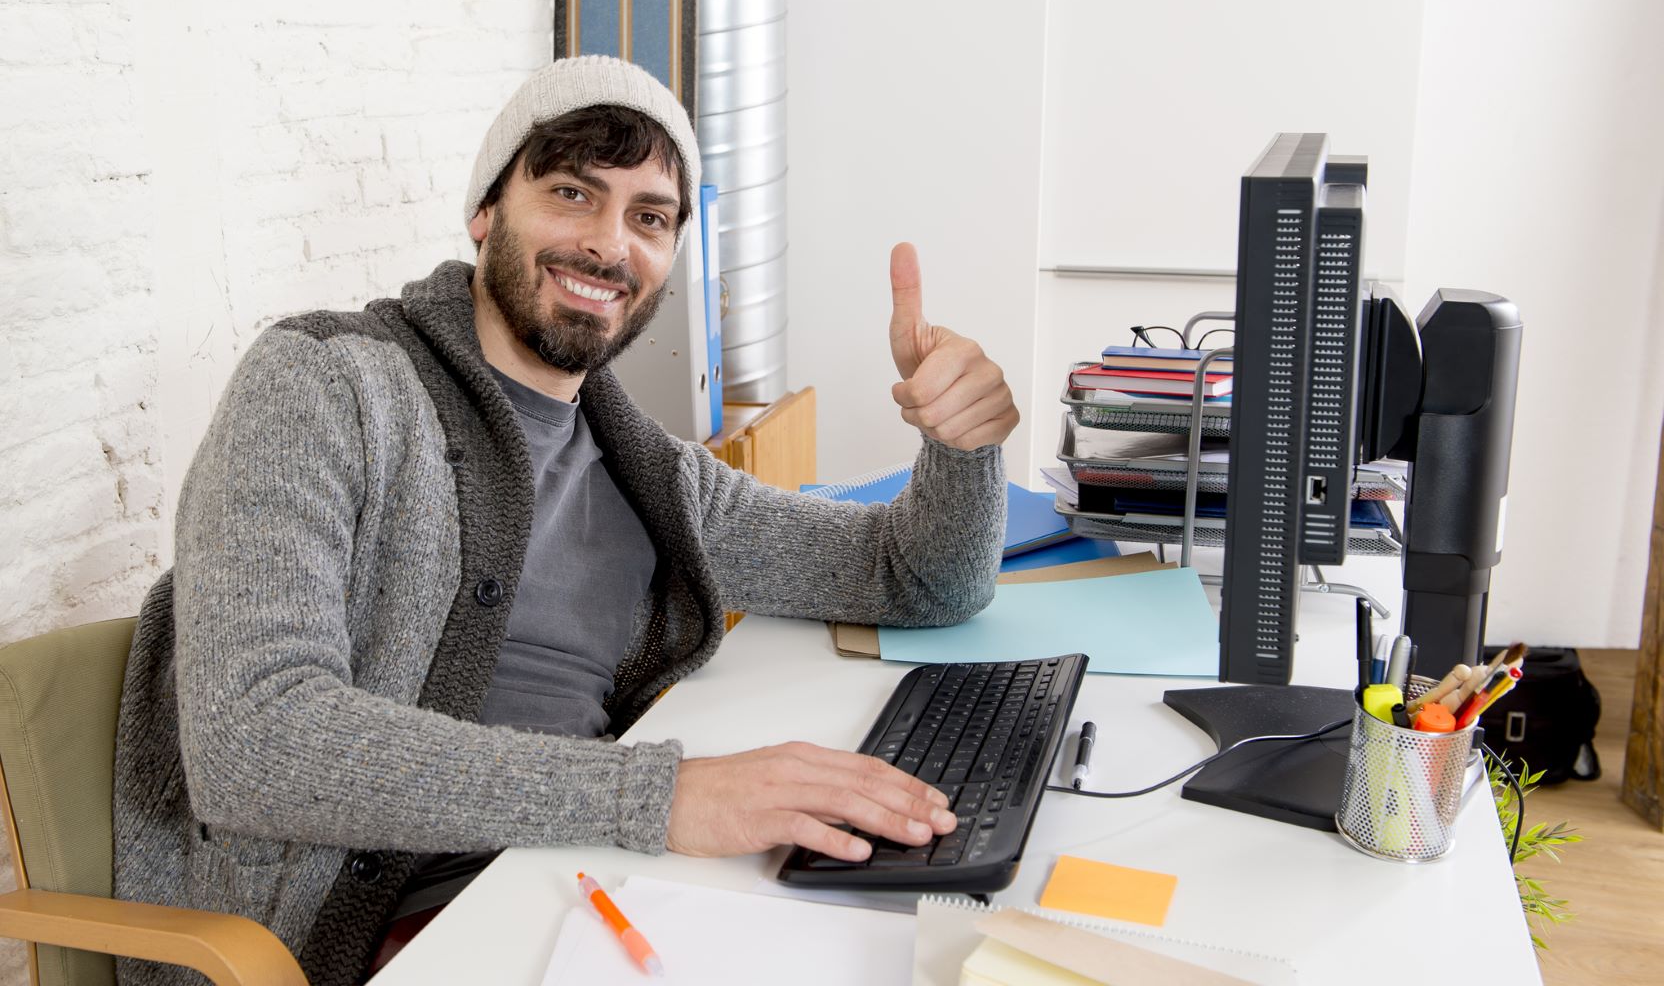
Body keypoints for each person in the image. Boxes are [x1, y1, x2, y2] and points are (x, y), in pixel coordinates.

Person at [111, 56, 1018, 985]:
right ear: (485, 211)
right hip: (367, 933)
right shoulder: (323, 383)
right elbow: (251, 744)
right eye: (573, 192)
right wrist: (659, 796)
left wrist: (962, 448)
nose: (609, 245)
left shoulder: (645, 468)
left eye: (650, 217)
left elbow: (915, 578)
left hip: (584, 883)